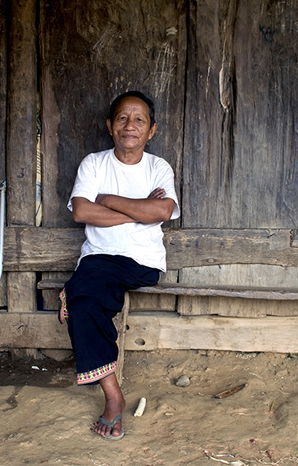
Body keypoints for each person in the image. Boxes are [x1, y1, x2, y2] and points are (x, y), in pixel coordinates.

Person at [60, 91, 180, 440]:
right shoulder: (94, 164)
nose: (130, 126)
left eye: (139, 120)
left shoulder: (158, 167)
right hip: (98, 259)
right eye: (123, 119)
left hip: (141, 261)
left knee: (80, 294)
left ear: (151, 130)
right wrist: (138, 209)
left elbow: (161, 212)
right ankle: (113, 396)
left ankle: (110, 394)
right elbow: (82, 212)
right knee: (81, 300)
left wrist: (108, 200)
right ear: (110, 125)